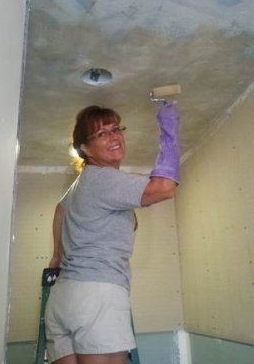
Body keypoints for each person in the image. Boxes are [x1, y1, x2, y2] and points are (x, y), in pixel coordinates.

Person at [45, 102, 181, 364]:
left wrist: (56, 257)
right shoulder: (103, 179)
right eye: (102, 134)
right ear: (84, 148)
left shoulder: (79, 186)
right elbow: (164, 188)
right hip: (97, 296)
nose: (115, 136)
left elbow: (59, 211)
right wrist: (170, 130)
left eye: (116, 129)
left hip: (62, 299)